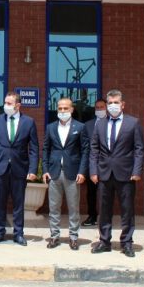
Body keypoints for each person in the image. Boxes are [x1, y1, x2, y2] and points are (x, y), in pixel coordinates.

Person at [89, 89, 144, 257]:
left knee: (127, 210)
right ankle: (104, 241)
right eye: (110, 103)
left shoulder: (133, 123)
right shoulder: (100, 124)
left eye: (116, 102)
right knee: (104, 209)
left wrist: (137, 170)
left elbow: (139, 149)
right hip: (104, 173)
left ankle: (126, 242)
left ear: (123, 104)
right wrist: (93, 171)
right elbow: (94, 149)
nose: (113, 105)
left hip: (126, 174)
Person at [0, 92, 39, 246]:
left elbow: (34, 149)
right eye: (5, 103)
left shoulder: (29, 122)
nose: (6, 106)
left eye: (9, 103)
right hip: (0, 168)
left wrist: (33, 170)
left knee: (19, 204)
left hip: (20, 169)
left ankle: (18, 234)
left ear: (18, 105)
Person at [42, 97, 89, 250]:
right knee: (54, 207)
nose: (62, 111)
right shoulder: (50, 127)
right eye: (60, 108)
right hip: (54, 173)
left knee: (74, 207)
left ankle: (73, 237)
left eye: (65, 108)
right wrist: (45, 170)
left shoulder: (80, 127)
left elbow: (85, 151)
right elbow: (46, 150)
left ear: (72, 109)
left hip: (72, 173)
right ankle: (54, 236)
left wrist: (82, 171)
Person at [81, 99, 106, 226]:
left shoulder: (111, 123)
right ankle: (92, 216)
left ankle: (105, 218)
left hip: (107, 165)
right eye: (97, 107)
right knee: (91, 193)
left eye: (102, 107)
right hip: (92, 165)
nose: (99, 109)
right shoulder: (88, 125)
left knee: (106, 193)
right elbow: (84, 146)